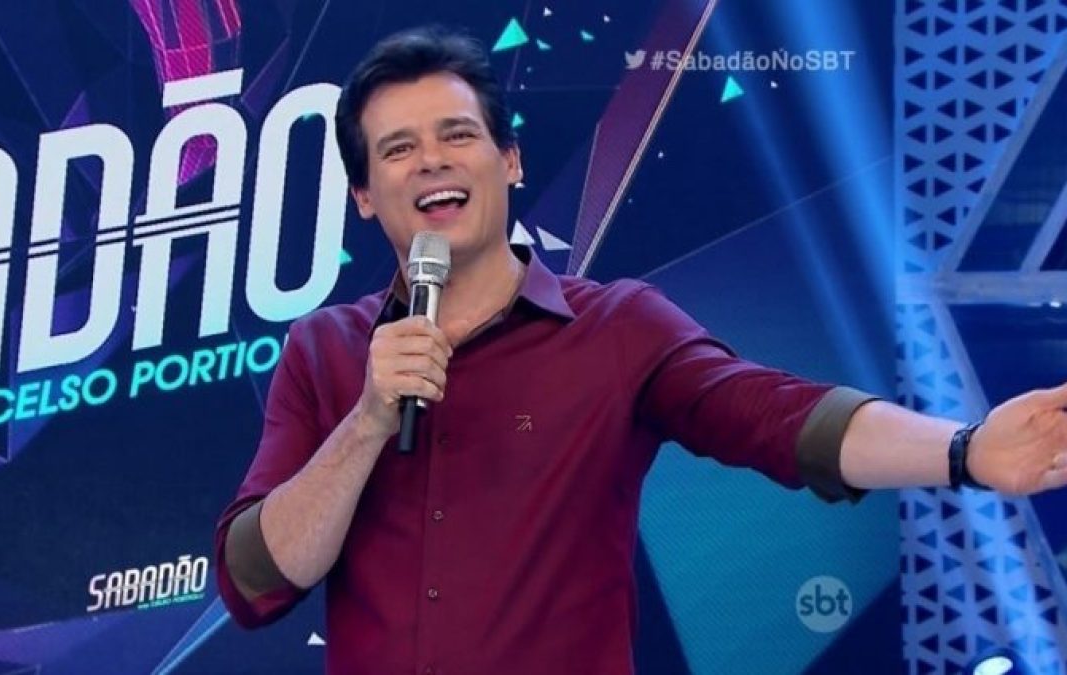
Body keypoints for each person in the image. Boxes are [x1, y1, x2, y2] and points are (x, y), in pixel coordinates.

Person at [215, 25, 1067, 674]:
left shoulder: (615, 328)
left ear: (511, 162)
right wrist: (368, 421)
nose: (432, 162)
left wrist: (964, 449)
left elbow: (783, 418)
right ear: (364, 195)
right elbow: (254, 580)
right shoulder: (327, 349)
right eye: (399, 149)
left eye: (457, 135)